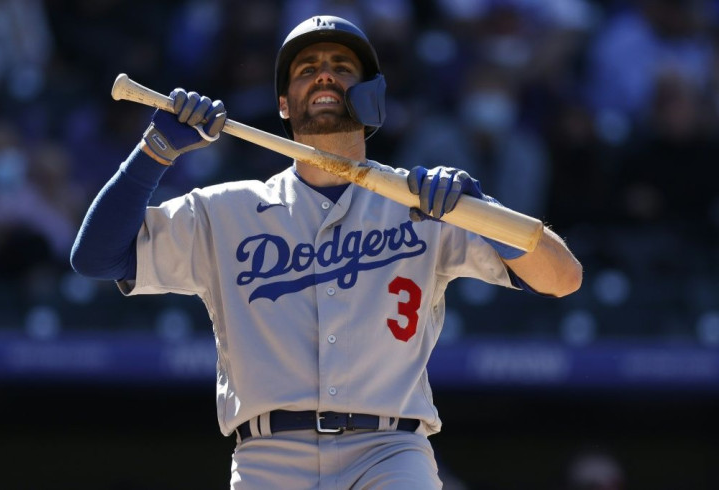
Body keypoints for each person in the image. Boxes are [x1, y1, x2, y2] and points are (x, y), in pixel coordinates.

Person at [70, 15, 582, 489]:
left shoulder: (425, 203)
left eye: (341, 67)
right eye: (307, 69)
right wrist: (153, 152)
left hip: (390, 451)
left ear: (372, 97)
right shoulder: (225, 210)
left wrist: (484, 213)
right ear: (284, 105)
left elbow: (563, 278)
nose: (323, 75)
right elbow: (96, 257)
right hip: (268, 456)